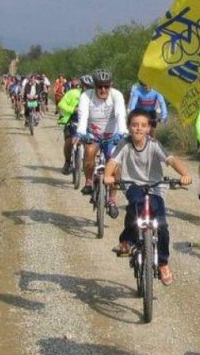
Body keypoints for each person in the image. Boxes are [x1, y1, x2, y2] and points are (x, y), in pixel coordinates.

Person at [103, 109, 192, 285]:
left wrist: (185, 174)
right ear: (129, 127)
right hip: (133, 184)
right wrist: (108, 175)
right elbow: (113, 162)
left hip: (155, 187)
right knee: (135, 206)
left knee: (162, 225)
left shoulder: (153, 144)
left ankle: (164, 263)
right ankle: (127, 240)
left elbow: (171, 160)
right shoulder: (124, 144)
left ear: (149, 128)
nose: (139, 129)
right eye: (135, 125)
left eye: (143, 125)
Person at [77, 69, 128, 218]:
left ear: (111, 85)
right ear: (94, 86)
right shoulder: (86, 96)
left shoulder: (116, 95)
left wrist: (123, 132)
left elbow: (120, 114)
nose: (103, 90)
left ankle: (112, 199)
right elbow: (83, 115)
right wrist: (81, 131)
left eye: (106, 86)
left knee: (115, 165)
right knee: (90, 152)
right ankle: (88, 181)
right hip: (93, 133)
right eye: (99, 86)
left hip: (113, 135)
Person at [57, 79, 81, 174]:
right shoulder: (71, 93)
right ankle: (67, 162)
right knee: (68, 142)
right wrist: (73, 109)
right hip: (70, 121)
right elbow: (61, 104)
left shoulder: (92, 96)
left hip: (86, 123)